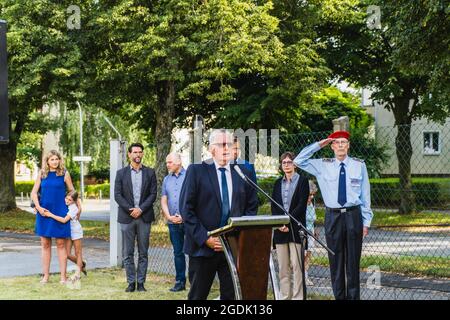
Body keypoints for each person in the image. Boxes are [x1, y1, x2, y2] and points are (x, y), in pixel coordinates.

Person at [294, 130, 373, 300]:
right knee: (335, 263)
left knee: (353, 263)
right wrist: (318, 145)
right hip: (333, 217)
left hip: (354, 216)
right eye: (336, 143)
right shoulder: (323, 164)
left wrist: (366, 222)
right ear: (331, 146)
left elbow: (365, 195)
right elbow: (298, 161)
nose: (340, 146)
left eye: (343, 142)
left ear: (348, 145)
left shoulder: (359, 165)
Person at [179, 129, 258, 300]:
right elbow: (186, 209)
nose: (226, 148)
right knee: (197, 296)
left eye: (229, 144)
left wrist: (238, 238)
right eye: (221, 145)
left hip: (232, 247)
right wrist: (205, 238)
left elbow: (251, 208)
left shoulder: (244, 172)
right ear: (211, 149)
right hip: (202, 247)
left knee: (231, 296)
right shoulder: (196, 170)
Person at [31, 150, 81, 284]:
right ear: (47, 161)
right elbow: (34, 193)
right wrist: (38, 207)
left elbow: (72, 192)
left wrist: (78, 208)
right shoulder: (42, 174)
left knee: (60, 244)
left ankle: (63, 277)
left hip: (60, 212)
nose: (54, 161)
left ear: (59, 160)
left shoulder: (64, 174)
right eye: (52, 159)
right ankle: (45, 276)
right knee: (45, 244)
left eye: (56, 159)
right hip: (44, 212)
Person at [114, 142, 157, 292]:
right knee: (128, 253)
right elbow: (117, 195)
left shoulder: (150, 173)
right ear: (129, 154)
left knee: (143, 252)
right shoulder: (121, 173)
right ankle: (131, 282)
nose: (137, 155)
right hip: (127, 217)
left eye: (140, 152)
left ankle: (141, 283)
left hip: (144, 217)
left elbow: (153, 194)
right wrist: (130, 209)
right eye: (135, 152)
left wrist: (141, 209)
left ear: (142, 154)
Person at [271, 152, 309, 300]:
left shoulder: (303, 182)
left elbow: (301, 207)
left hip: (295, 228)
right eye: (284, 162)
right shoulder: (277, 183)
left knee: (297, 266)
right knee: (283, 268)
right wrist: (280, 223)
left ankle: (298, 297)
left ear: (295, 164)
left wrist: (288, 222)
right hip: (280, 230)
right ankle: (285, 296)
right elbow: (274, 206)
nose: (286, 164)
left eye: (289, 162)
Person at [43, 190, 86, 281]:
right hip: (67, 231)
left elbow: (64, 220)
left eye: (69, 200)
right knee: (66, 254)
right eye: (66, 198)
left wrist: (50, 214)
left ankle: (78, 273)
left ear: (74, 201)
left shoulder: (74, 208)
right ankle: (81, 263)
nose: (67, 201)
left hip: (76, 231)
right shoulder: (65, 205)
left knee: (78, 252)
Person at [161, 152, 187, 292]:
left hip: (189, 221)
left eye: (169, 162)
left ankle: (197, 282)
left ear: (178, 162)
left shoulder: (190, 176)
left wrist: (185, 216)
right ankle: (180, 282)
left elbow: (194, 199)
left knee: (195, 252)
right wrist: (169, 216)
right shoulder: (166, 179)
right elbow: (164, 200)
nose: (167, 165)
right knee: (178, 253)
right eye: (166, 163)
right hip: (172, 222)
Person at [304, 180, 318, 286]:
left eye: (313, 195)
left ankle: (305, 277)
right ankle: (298, 276)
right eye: (310, 195)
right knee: (301, 256)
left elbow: (313, 219)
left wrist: (315, 230)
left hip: (310, 232)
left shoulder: (311, 203)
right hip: (302, 233)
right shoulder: (301, 204)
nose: (312, 197)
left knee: (308, 255)